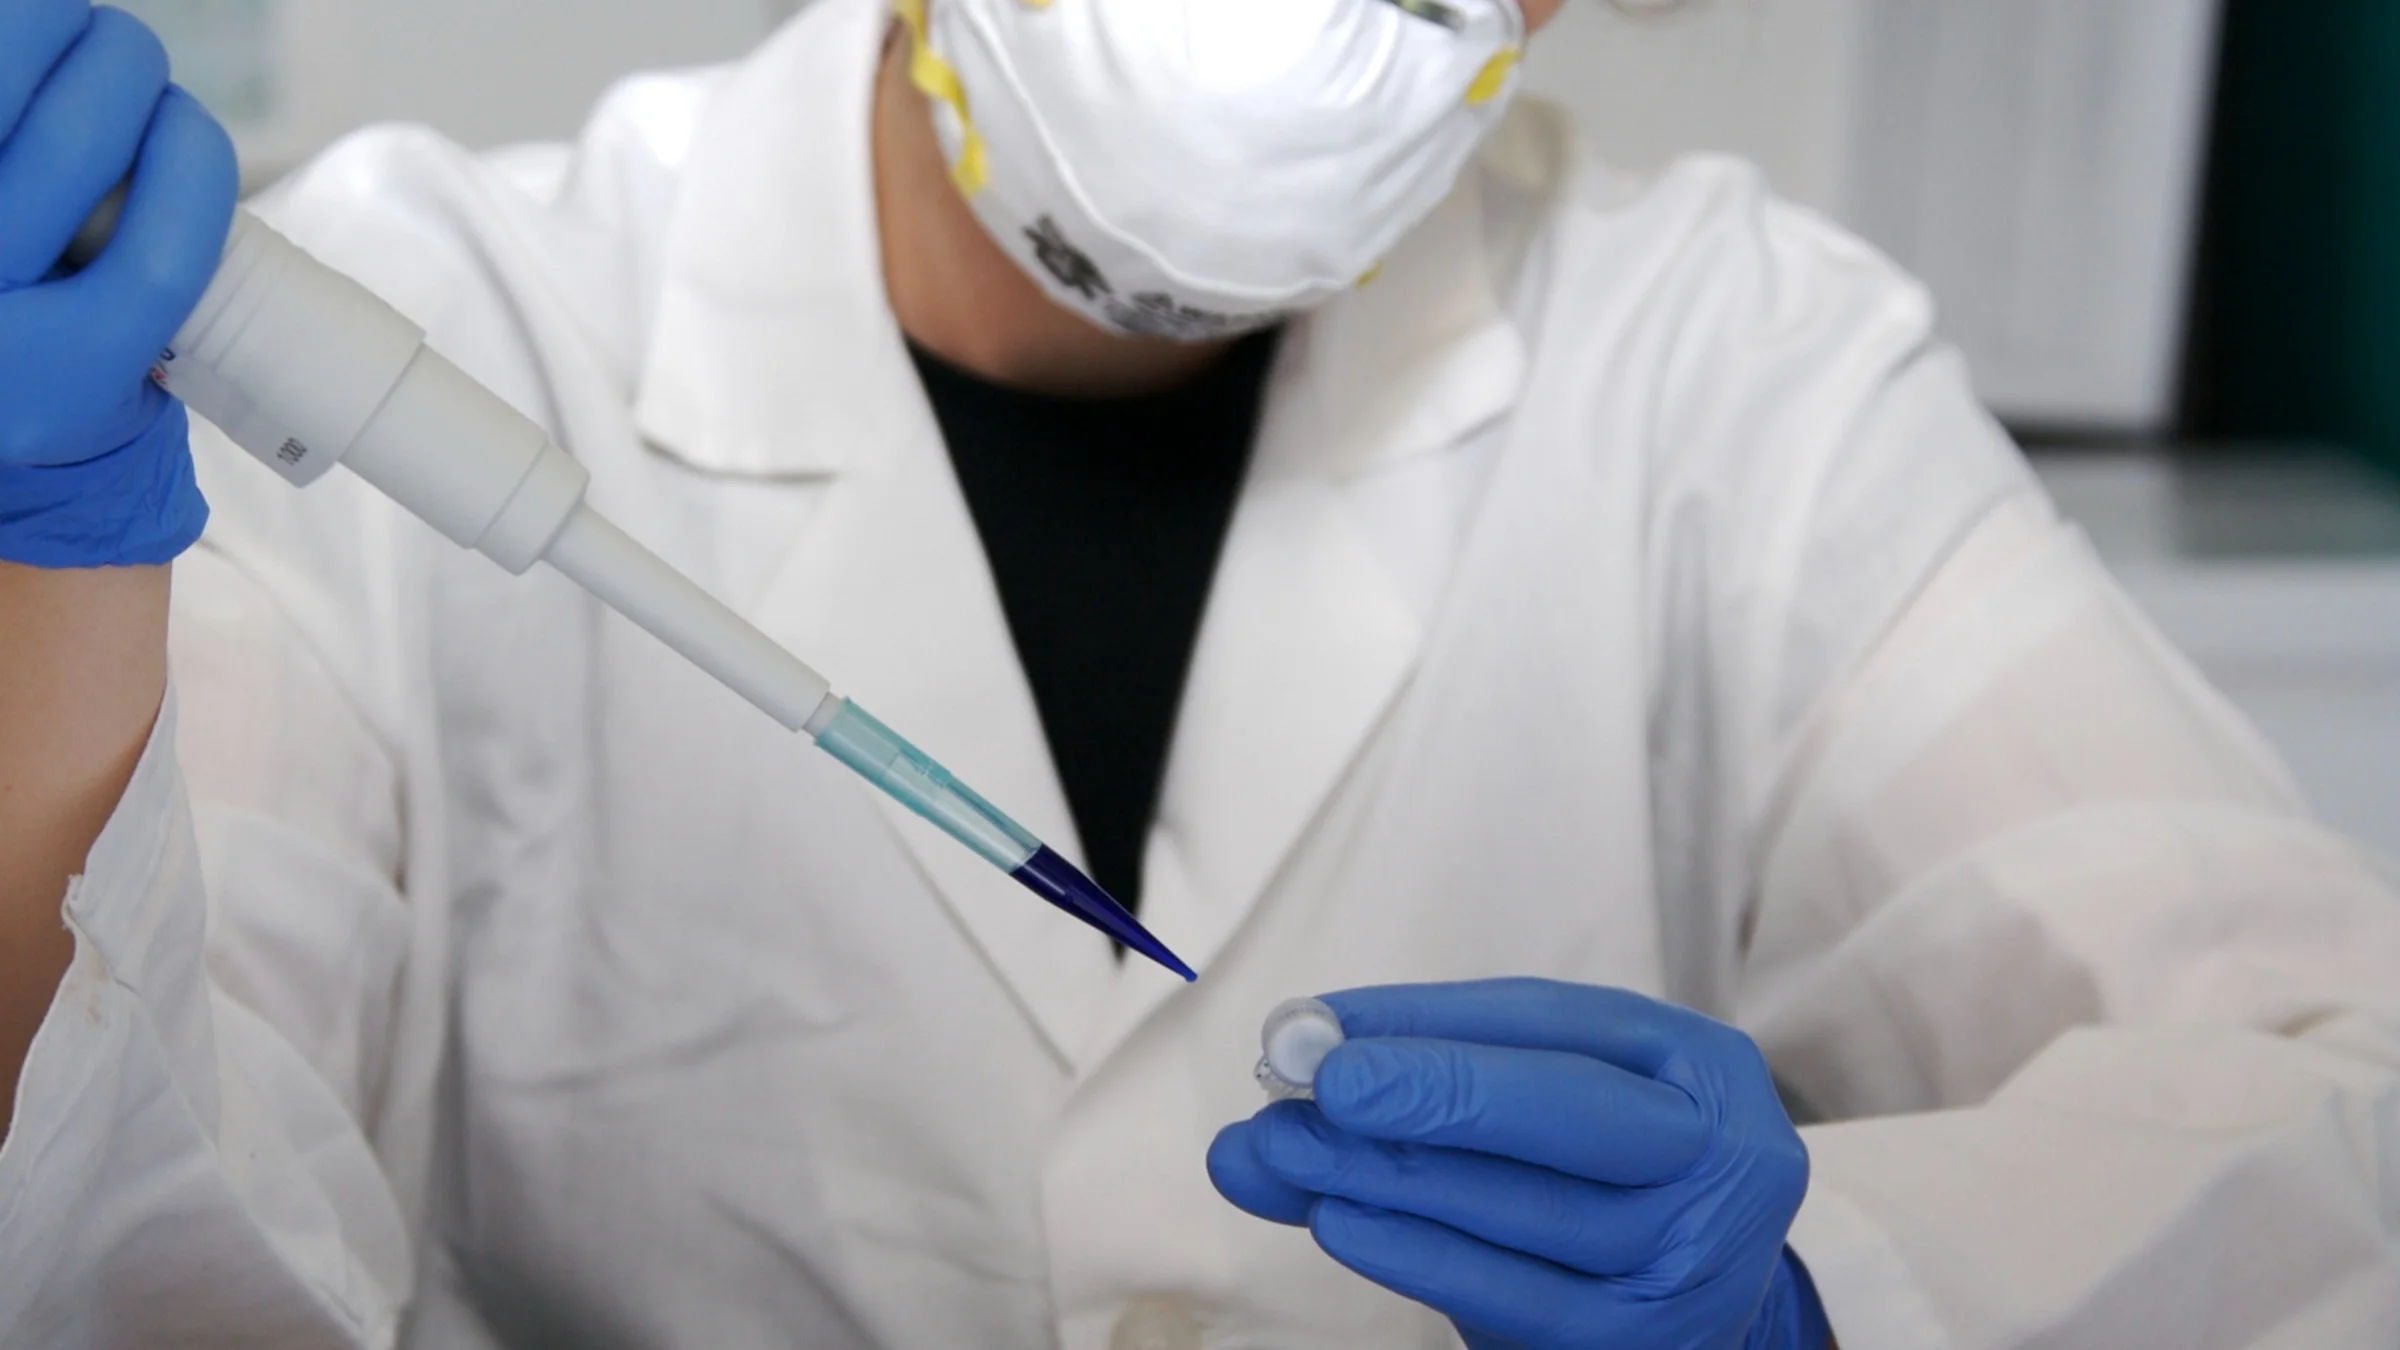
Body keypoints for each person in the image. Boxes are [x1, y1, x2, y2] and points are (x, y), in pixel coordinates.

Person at [2, 0, 2395, 1345]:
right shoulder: (412, 311)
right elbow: (136, 1267)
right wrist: (39, 634)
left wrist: (1835, 1301)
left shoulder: (1733, 372)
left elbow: (2348, 1124)